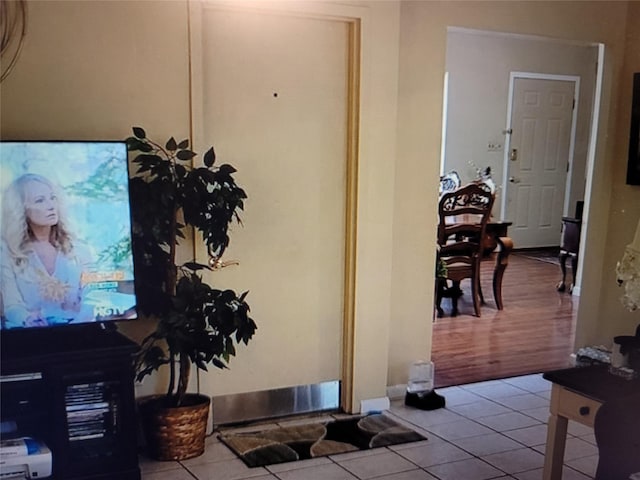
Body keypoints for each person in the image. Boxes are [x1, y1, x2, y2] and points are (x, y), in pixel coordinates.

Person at [1, 173, 93, 328]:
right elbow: (11, 305)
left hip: (81, 334)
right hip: (28, 339)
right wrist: (27, 319)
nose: (51, 206)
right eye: (40, 200)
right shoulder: (8, 252)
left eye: (52, 198)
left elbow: (92, 294)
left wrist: (81, 320)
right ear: (21, 209)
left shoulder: (78, 248)